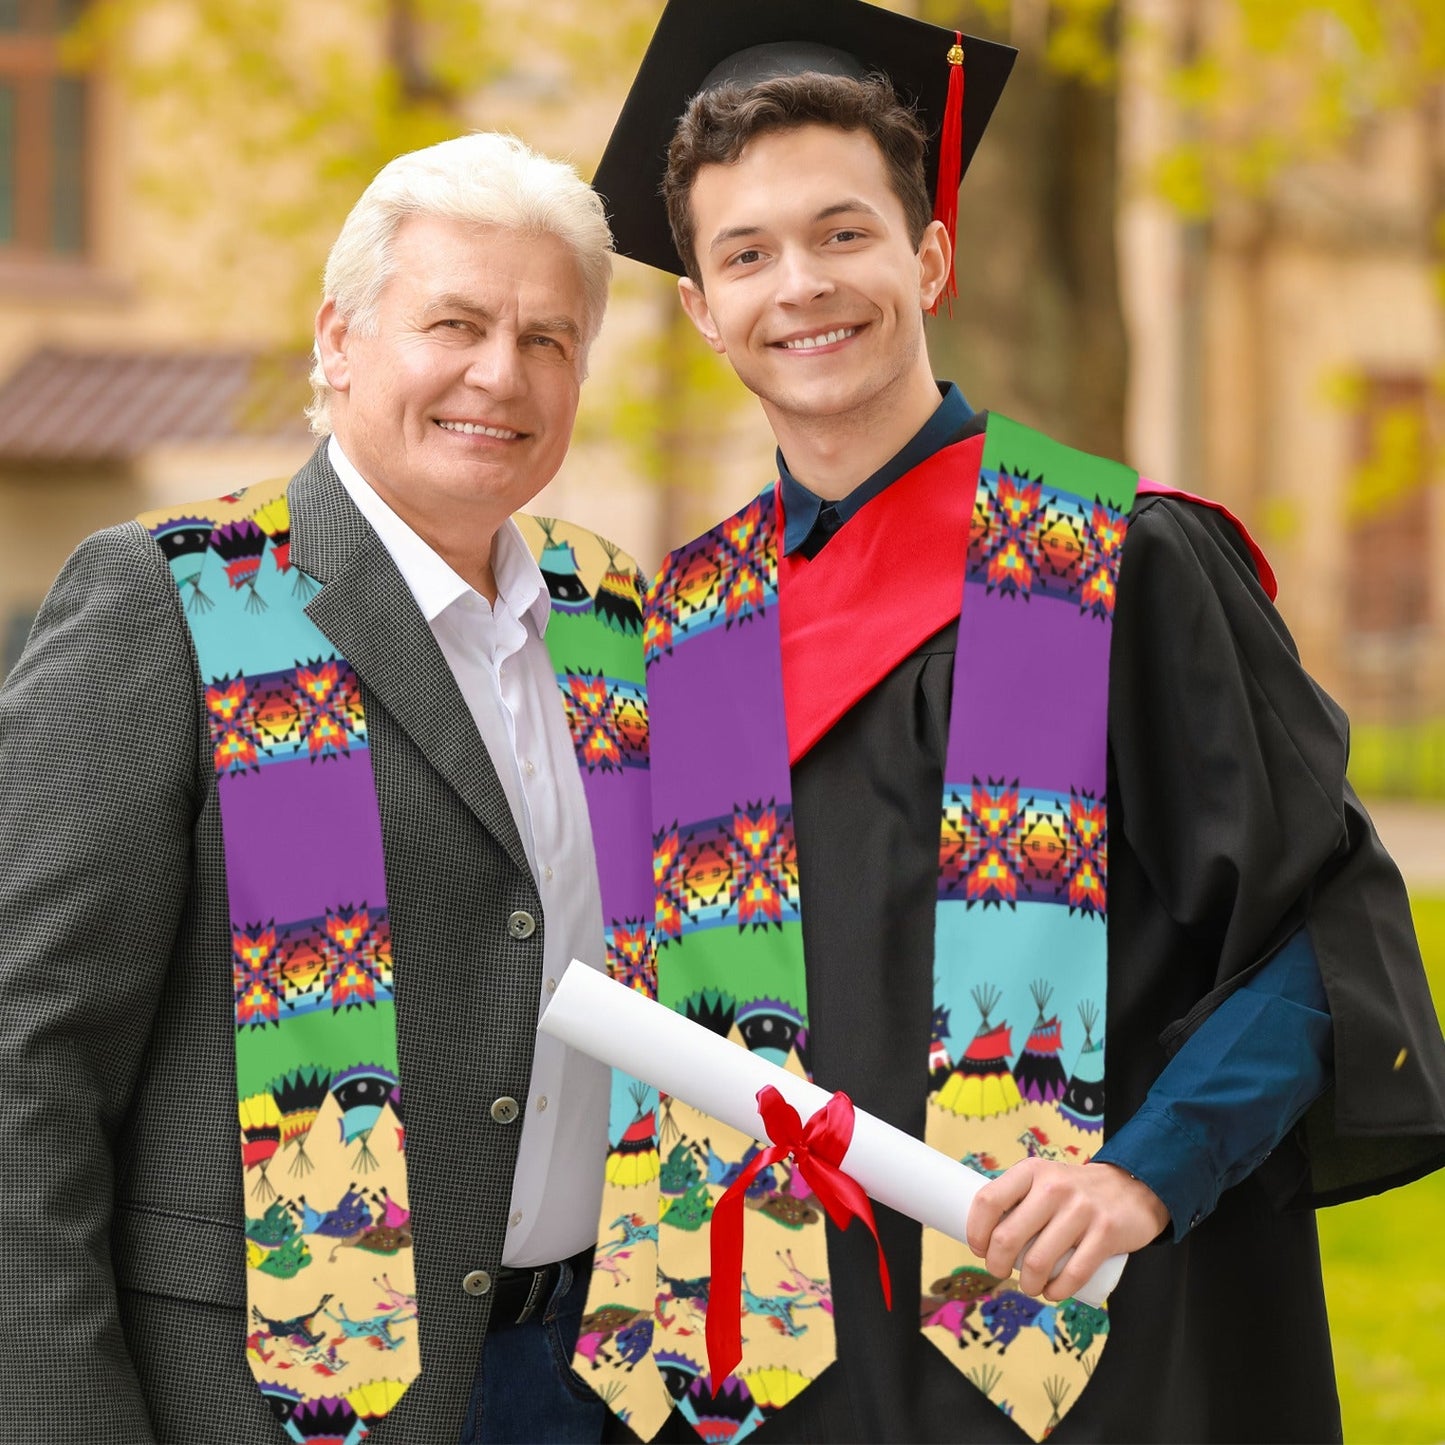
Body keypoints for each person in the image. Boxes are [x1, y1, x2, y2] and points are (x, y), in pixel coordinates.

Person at [569, 2, 1445, 1441]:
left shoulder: (1112, 562)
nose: (800, 285)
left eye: (842, 233)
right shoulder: (686, 631)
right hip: (778, 1376)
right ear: (701, 308)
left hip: (1084, 1350)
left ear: (928, 254)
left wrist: (1143, 1172)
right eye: (746, 254)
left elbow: (1317, 931)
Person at [0, 132, 651, 1445]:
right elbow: (27, 1056)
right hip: (268, 1399)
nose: (498, 373)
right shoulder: (184, 596)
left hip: (592, 1380)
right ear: (339, 339)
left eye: (547, 338)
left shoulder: (617, 617)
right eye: (454, 321)